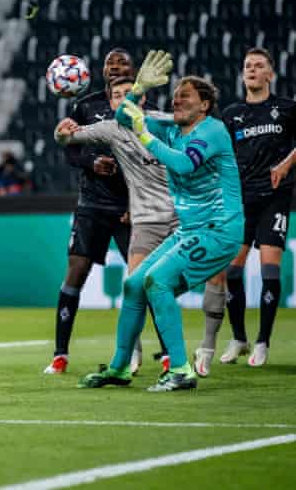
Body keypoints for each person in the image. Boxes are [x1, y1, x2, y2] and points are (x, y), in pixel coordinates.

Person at [80, 51, 244, 392]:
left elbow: (184, 164)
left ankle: (181, 369)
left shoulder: (212, 130)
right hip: (191, 229)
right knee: (134, 284)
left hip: (220, 230)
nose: (177, 99)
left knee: (157, 281)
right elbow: (124, 117)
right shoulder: (173, 127)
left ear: (205, 104)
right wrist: (138, 89)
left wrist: (144, 133)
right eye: (175, 94)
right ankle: (119, 367)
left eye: (187, 95)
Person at [44, 48, 134, 375]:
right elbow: (69, 151)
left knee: (142, 280)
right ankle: (60, 355)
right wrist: (92, 162)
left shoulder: (148, 109)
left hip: (130, 210)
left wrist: (137, 201)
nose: (115, 68)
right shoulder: (86, 106)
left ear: (134, 71)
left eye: (122, 64)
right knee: (76, 273)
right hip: (91, 205)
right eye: (111, 64)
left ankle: (162, 354)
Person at [220, 47, 296, 367]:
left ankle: (263, 342)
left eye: (259, 65)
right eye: (248, 65)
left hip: (274, 199)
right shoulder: (231, 115)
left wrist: (286, 164)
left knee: (269, 269)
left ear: (270, 74)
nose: (252, 69)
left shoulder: (287, 108)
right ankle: (239, 338)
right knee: (231, 271)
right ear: (242, 75)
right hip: (241, 201)